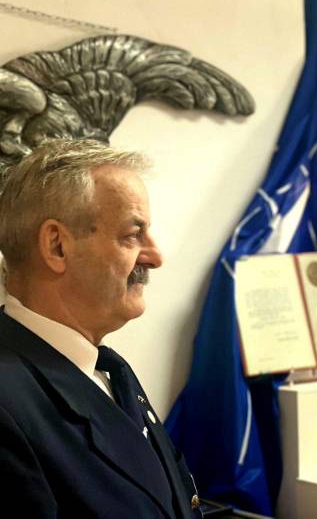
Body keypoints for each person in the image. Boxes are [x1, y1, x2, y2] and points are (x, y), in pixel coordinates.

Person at [0, 140, 200, 518]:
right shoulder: (7, 404)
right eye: (132, 235)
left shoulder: (107, 368)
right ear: (57, 246)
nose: (155, 257)